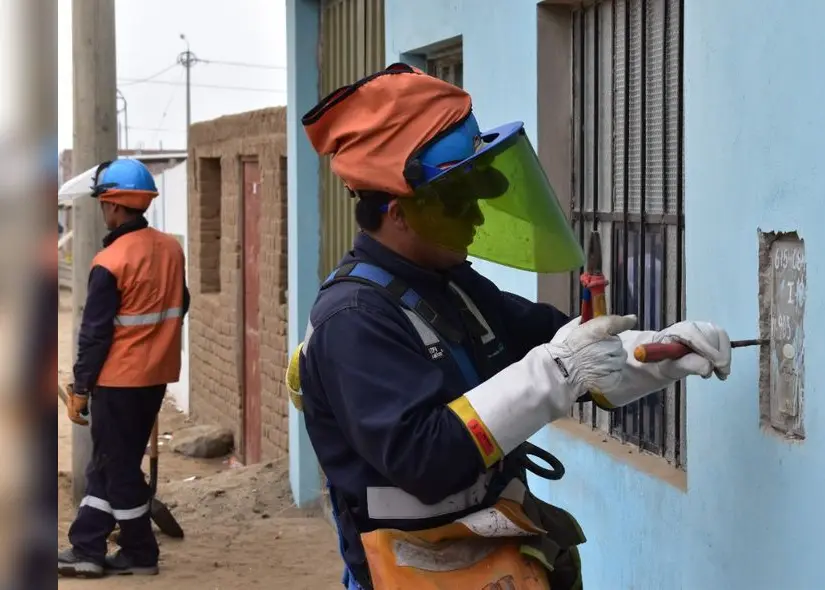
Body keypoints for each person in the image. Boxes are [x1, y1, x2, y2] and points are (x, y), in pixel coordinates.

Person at [287, 63, 732, 590]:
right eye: (458, 199)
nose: (476, 216)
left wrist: (658, 351)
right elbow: (425, 460)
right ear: (397, 211)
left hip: (489, 559)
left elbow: (558, 341)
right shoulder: (355, 319)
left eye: (478, 194)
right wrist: (561, 370)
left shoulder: (450, 285)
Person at [57, 158, 189, 579]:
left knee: (118, 470)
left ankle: (139, 551)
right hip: (154, 379)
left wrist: (80, 387)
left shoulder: (110, 261)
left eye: (103, 204)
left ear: (113, 206)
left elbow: (94, 335)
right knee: (110, 463)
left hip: (118, 381)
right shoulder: (171, 248)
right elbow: (180, 303)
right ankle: (88, 547)